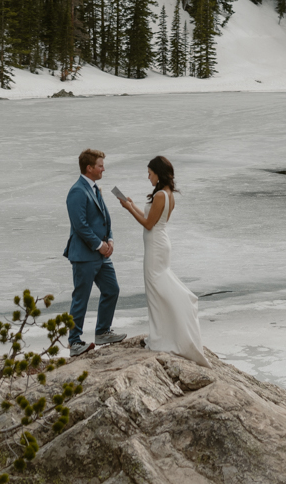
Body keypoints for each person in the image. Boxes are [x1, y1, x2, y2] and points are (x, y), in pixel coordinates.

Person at [118, 155, 209, 365]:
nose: (147, 176)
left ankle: (161, 337)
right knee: (158, 287)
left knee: (155, 289)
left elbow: (149, 224)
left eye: (149, 172)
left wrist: (128, 208)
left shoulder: (160, 195)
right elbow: (154, 220)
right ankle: (161, 333)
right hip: (159, 243)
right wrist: (133, 205)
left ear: (157, 172)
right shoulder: (167, 194)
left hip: (156, 247)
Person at [64, 148, 123, 354]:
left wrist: (111, 240)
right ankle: (74, 341)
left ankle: (102, 331)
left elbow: (105, 219)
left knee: (112, 289)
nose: (103, 169)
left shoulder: (95, 188)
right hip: (84, 255)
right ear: (89, 168)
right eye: (100, 166)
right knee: (81, 297)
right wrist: (100, 245)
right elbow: (79, 225)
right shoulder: (77, 191)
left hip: (101, 254)